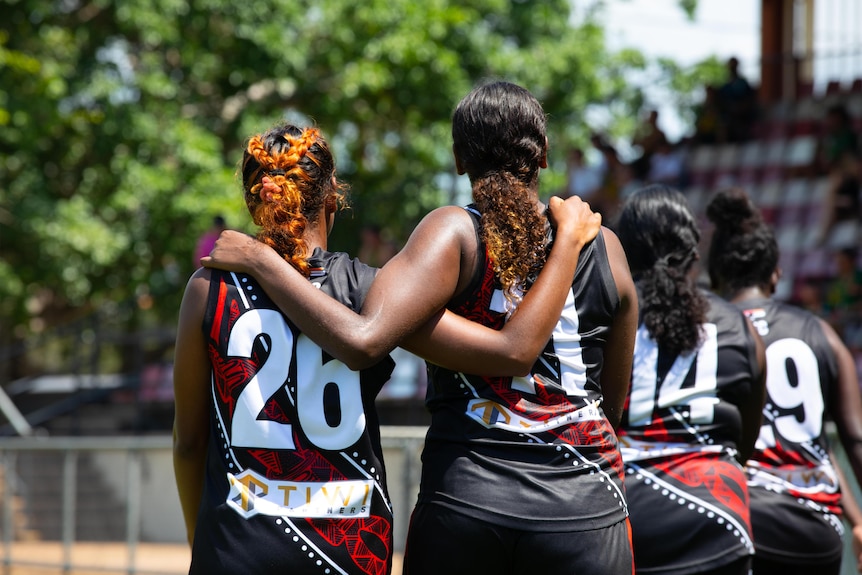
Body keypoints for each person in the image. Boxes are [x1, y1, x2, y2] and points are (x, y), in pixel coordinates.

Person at [203, 80, 639, 575]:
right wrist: (569, 242)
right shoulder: (604, 246)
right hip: (585, 505)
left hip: (470, 496)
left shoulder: (452, 232)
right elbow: (613, 405)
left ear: (458, 159)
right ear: (542, 156)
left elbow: (368, 335)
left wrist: (262, 259)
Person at [705, 186, 862, 575]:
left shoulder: (706, 331)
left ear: (716, 273)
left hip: (733, 516)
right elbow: (848, 439)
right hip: (814, 529)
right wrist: (858, 521)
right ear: (776, 272)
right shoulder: (820, 333)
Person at [614, 184, 767, 575]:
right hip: (719, 517)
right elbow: (744, 441)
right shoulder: (739, 326)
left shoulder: (605, 316)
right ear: (694, 252)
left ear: (625, 251)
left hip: (625, 517)